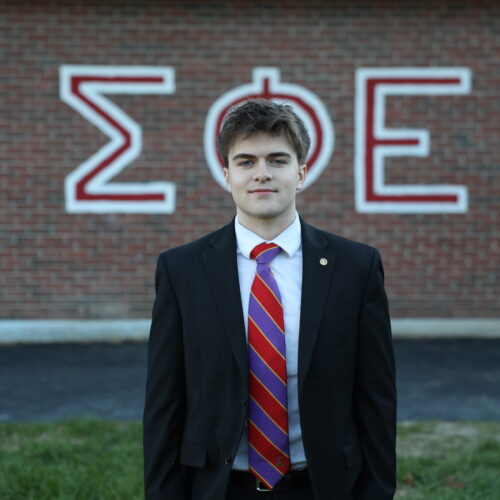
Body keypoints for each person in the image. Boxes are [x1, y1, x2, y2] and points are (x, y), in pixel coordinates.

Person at [143, 98, 396, 500]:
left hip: (323, 486)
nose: (262, 173)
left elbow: (376, 396)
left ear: (301, 173)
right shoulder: (182, 271)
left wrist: (377, 491)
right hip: (219, 487)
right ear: (227, 175)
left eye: (277, 160)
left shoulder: (356, 267)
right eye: (246, 161)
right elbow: (164, 401)